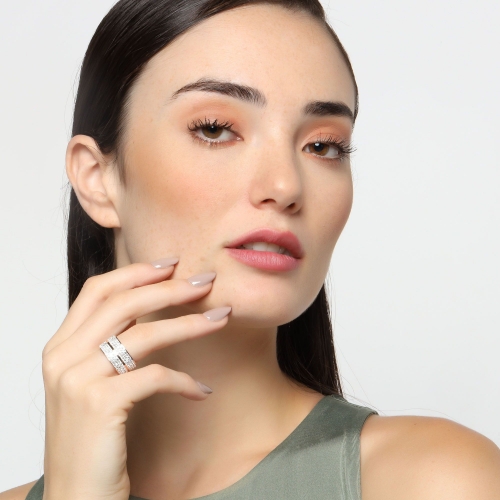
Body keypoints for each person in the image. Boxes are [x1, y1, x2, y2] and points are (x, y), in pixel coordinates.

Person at [2, 0, 500, 499]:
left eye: (323, 145)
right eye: (215, 129)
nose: (285, 186)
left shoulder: (434, 481)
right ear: (97, 179)